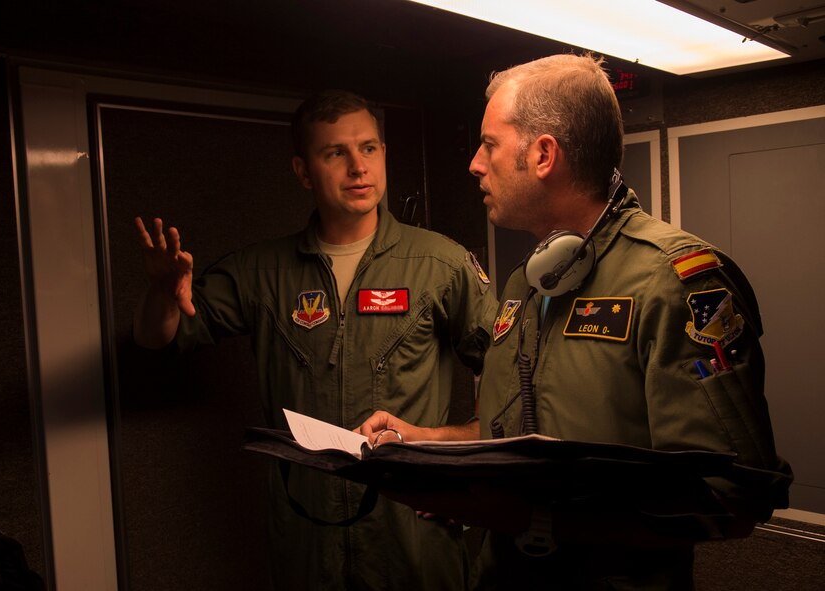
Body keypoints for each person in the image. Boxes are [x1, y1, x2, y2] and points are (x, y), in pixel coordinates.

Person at [357, 54, 792, 589]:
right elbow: (522, 431)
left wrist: (533, 518)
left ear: (543, 155)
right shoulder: (526, 283)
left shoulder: (675, 282)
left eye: (489, 144)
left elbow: (729, 494)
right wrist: (427, 444)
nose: (474, 163)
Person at [133, 90, 498, 590]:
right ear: (303, 172)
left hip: (413, 535)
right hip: (308, 537)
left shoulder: (440, 264)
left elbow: (514, 393)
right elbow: (160, 339)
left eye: (369, 148)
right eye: (335, 153)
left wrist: (461, 470)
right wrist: (161, 294)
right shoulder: (263, 272)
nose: (357, 167)